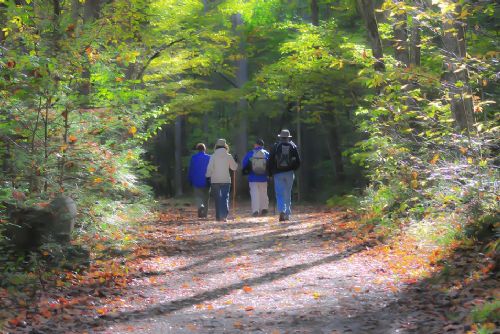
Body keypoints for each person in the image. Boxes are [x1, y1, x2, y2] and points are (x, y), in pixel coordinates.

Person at [267, 129, 301, 221]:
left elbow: (270, 160)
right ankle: (287, 214)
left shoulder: (275, 146)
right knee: (287, 193)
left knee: (279, 193)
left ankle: (281, 210)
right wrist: (293, 168)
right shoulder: (293, 146)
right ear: (288, 137)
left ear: (281, 137)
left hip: (278, 173)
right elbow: (298, 161)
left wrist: (270, 173)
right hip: (289, 173)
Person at [205, 139, 238, 222]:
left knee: (217, 198)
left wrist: (207, 176)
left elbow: (210, 167)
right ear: (225, 146)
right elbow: (234, 168)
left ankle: (218, 217)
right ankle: (224, 216)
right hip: (226, 180)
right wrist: (236, 161)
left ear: (216, 146)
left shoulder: (213, 156)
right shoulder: (228, 156)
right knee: (225, 197)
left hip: (215, 180)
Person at [242, 138, 270, 217]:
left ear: (256, 145)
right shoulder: (266, 153)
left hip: (252, 177)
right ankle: (264, 208)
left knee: (254, 194)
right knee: (263, 193)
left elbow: (244, 165)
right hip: (263, 177)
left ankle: (255, 210)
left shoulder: (250, 153)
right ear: (262, 145)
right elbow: (270, 165)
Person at [188, 143, 211, 218]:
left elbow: (191, 170)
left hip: (196, 181)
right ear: (204, 149)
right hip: (207, 181)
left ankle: (200, 206)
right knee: (206, 198)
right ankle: (205, 214)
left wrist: (190, 179)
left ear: (197, 149)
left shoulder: (193, 158)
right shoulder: (209, 158)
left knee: (198, 196)